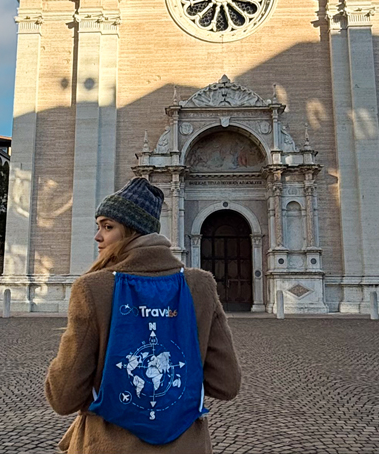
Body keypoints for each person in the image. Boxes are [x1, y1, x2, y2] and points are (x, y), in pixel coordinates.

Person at [46, 177, 241, 453]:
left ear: (132, 231)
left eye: (107, 226)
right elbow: (226, 383)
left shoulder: (94, 289)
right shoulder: (200, 286)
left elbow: (63, 396)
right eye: (99, 226)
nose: (97, 236)